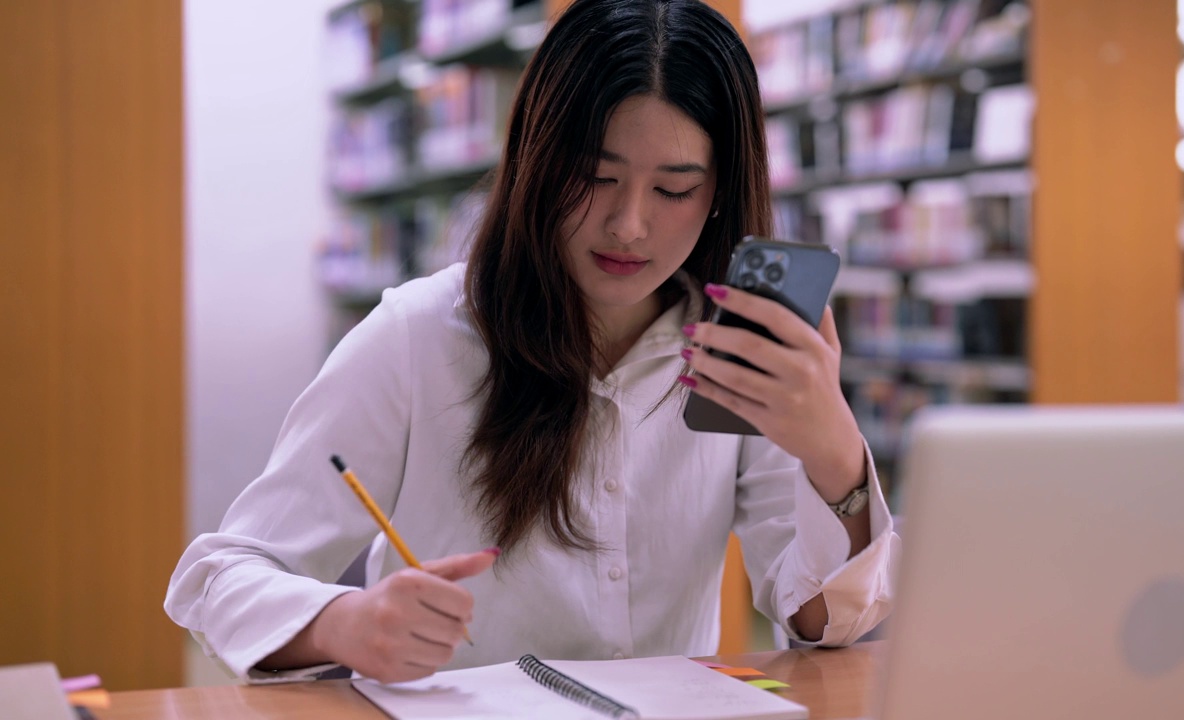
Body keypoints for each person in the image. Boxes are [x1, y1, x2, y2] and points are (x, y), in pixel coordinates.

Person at [165, 0, 898, 684]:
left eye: (673, 190)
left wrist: (832, 451)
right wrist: (342, 623)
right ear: (536, 164)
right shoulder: (418, 336)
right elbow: (218, 576)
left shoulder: (740, 353)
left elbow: (822, 623)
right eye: (594, 176)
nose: (628, 225)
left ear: (718, 197)